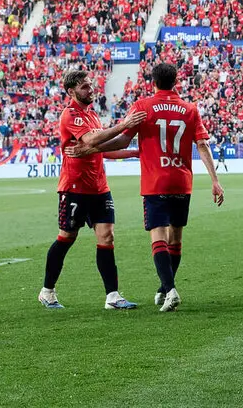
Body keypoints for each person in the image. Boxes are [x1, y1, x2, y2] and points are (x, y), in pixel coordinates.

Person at [76, 62, 224, 311]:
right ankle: (164, 288)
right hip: (181, 180)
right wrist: (215, 181)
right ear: (176, 81)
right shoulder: (190, 109)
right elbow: (202, 145)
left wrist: (94, 147)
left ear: (153, 81)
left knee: (158, 237)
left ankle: (171, 290)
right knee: (175, 239)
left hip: (156, 181)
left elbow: (123, 138)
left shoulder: (143, 107)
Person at [38, 70, 146, 311]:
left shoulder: (93, 115)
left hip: (99, 187)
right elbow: (91, 141)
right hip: (74, 187)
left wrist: (134, 152)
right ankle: (47, 291)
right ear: (71, 92)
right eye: (85, 87)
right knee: (66, 238)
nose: (91, 89)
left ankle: (113, 296)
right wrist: (124, 125)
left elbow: (100, 148)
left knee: (107, 236)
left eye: (90, 85)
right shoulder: (71, 115)